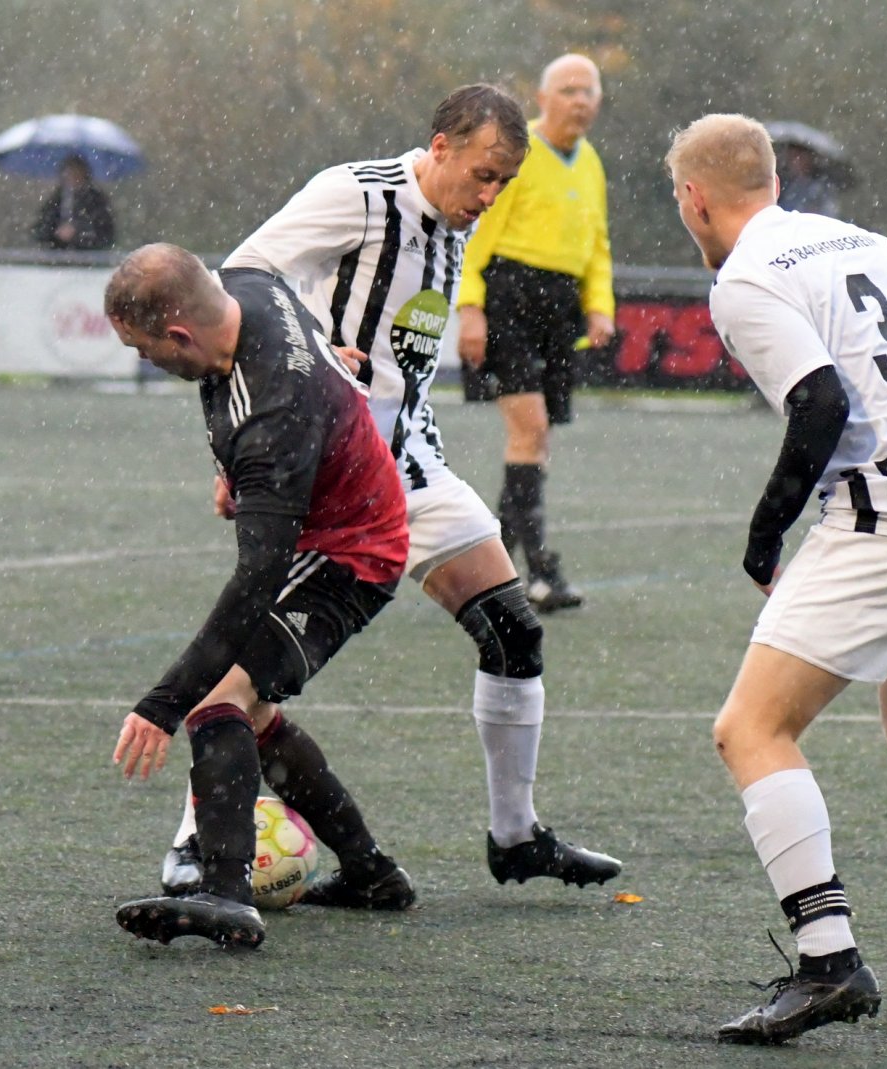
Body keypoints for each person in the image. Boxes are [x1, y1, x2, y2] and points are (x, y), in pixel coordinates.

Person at [159, 84, 622, 908]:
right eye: (482, 176)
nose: (489, 198)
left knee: (513, 631)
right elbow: (245, 281)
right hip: (330, 479)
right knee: (249, 678)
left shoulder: (456, 224)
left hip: (412, 464)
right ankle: (197, 851)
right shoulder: (359, 195)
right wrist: (295, 368)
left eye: (504, 184)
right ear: (439, 146)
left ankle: (514, 837)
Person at [666, 114, 887, 1044]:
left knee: (752, 728)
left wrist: (765, 529)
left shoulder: (745, 275)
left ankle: (829, 960)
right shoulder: (861, 240)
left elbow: (820, 401)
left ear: (695, 197)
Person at [105, 243, 413, 946]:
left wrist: (162, 703)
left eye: (147, 350)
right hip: (334, 522)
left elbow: (254, 584)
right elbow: (307, 353)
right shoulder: (249, 284)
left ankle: (225, 894)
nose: (148, 361)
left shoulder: (274, 421)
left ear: (180, 333)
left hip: (350, 557)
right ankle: (372, 873)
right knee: (257, 712)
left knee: (217, 700)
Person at [455, 54, 615, 613]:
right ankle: (538, 570)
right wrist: (470, 308)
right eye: (568, 89)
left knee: (535, 442)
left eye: (588, 90)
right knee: (531, 432)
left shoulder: (590, 161)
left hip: (559, 311)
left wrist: (598, 306)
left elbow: (596, 242)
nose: (579, 100)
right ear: (543, 98)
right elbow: (477, 232)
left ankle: (491, 574)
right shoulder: (519, 154)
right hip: (510, 300)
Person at [31, 154, 116, 250]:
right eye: (69, 173)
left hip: (89, 259)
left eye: (77, 173)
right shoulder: (56, 199)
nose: (72, 177)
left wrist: (78, 234)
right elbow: (39, 230)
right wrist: (55, 233)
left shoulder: (96, 200)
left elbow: (106, 234)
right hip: (57, 258)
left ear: (84, 174)